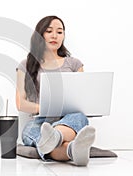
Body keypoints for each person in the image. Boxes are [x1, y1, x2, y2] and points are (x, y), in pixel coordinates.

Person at [15, 15, 95, 166]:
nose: (54, 36)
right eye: (49, 31)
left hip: (69, 118)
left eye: (59, 32)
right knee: (29, 131)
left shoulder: (74, 64)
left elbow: (83, 98)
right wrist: (44, 108)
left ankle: (56, 136)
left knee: (79, 118)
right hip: (40, 121)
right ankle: (71, 150)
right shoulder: (26, 64)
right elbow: (21, 103)